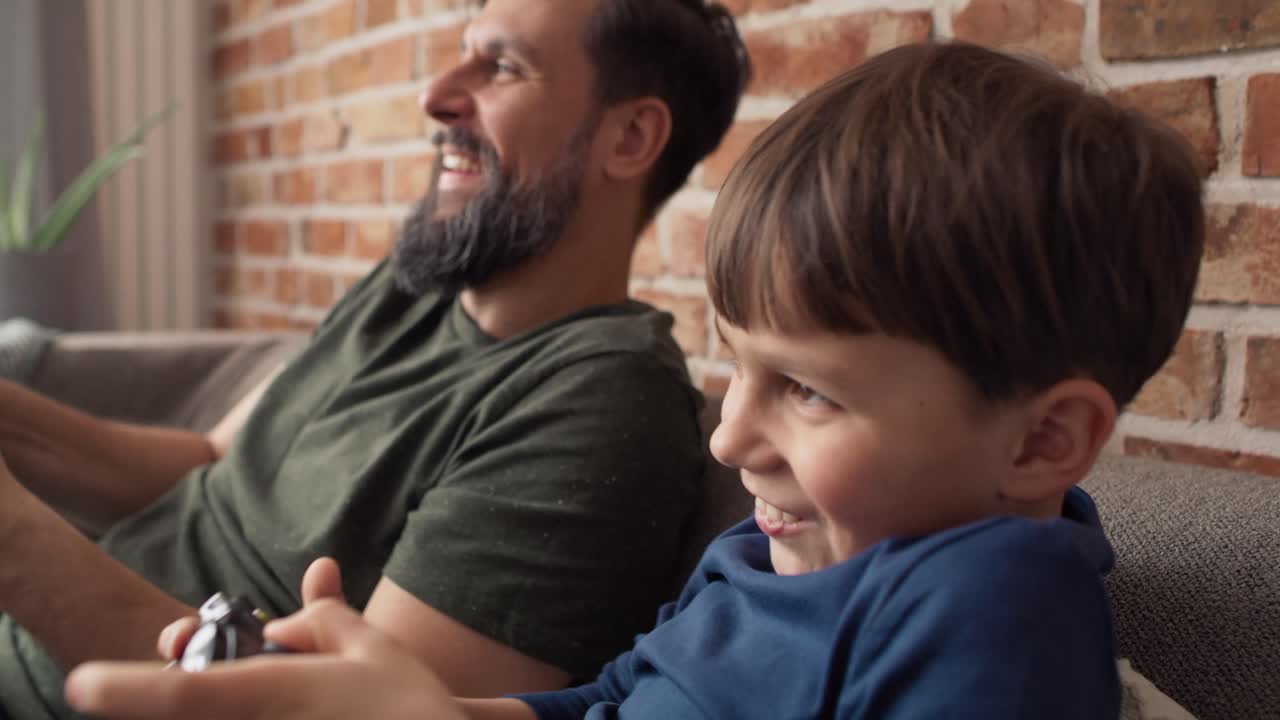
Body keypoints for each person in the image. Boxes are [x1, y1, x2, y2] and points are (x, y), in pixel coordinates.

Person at [62, 38, 1205, 719]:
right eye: (737, 367)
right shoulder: (756, 554)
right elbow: (605, 705)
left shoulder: (988, 604)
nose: (727, 440)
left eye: (805, 391)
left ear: (1044, 442)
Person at [0, 0, 750, 716]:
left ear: (629, 139)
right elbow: (210, 458)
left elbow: (347, 711)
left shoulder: (603, 401)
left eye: (504, 67)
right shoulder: (421, 279)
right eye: (463, 55)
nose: (436, 95)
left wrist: (15, 546)